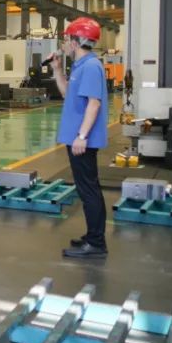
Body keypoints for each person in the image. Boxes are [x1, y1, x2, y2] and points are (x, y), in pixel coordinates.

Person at [53, 18, 109, 259]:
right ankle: (93, 236)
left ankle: (96, 243)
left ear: (76, 42)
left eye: (67, 39)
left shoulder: (91, 66)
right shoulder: (80, 66)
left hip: (82, 140)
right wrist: (57, 70)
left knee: (89, 190)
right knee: (86, 189)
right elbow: (68, 95)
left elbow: (94, 104)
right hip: (76, 137)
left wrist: (82, 136)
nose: (64, 43)